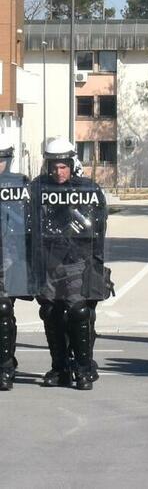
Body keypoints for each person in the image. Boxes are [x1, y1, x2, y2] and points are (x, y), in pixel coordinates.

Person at [31, 138, 111, 390]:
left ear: (71, 164)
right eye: (54, 166)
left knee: (78, 312)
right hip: (47, 262)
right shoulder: (36, 188)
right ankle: (60, 368)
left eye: (63, 166)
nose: (58, 172)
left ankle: (84, 368)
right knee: (50, 313)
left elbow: (98, 226)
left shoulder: (87, 189)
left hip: (78, 261)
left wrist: (94, 262)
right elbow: (26, 223)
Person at [0, 135, 32, 391]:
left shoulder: (20, 184)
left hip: (8, 258)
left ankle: (5, 366)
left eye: (1, 159)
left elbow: (32, 221)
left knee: (3, 311)